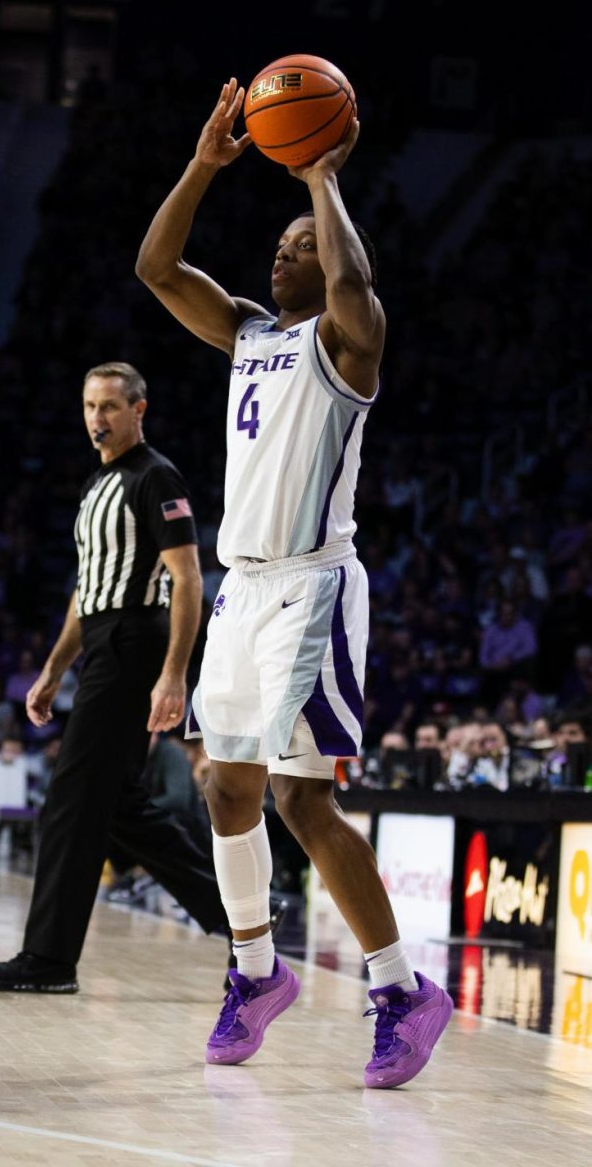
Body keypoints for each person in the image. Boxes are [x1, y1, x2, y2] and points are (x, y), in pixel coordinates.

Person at [135, 82, 451, 1089]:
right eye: (277, 244)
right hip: (242, 588)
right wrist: (205, 165)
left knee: (304, 805)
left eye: (300, 245)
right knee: (224, 786)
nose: (283, 253)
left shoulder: (344, 344)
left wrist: (320, 180)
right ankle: (255, 970)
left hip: (314, 589)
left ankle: (402, 990)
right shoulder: (247, 332)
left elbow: (355, 286)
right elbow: (154, 267)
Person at [0, 363, 230, 994]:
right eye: (90, 405)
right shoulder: (96, 485)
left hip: (135, 643)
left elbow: (188, 579)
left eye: (111, 406)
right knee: (118, 808)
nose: (97, 418)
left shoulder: (156, 476)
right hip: (101, 643)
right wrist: (53, 670)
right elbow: (86, 593)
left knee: (70, 801)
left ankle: (50, 960)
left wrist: (174, 674)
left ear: (139, 410)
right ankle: (245, 919)